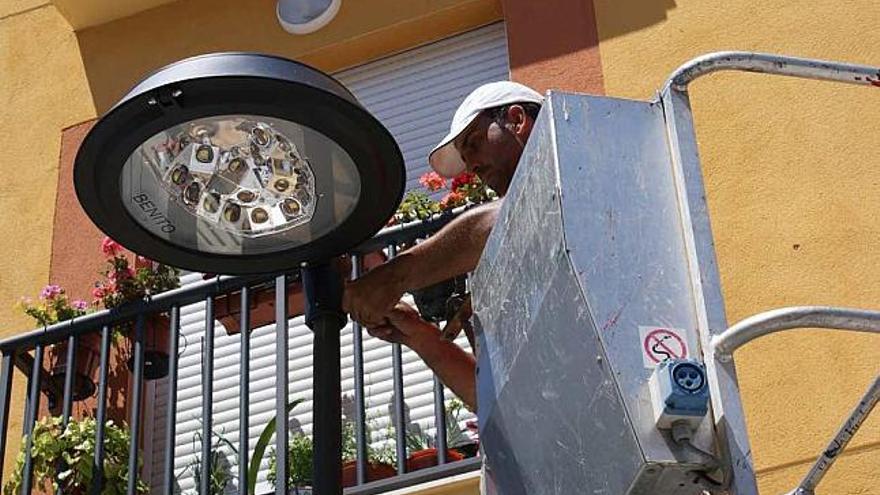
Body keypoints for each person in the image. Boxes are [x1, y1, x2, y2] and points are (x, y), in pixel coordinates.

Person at [343, 81, 544, 411]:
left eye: (475, 144)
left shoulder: (574, 158)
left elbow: (502, 217)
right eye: (467, 160)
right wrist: (420, 336)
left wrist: (393, 277)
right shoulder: (517, 268)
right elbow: (498, 403)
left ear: (517, 119)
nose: (473, 167)